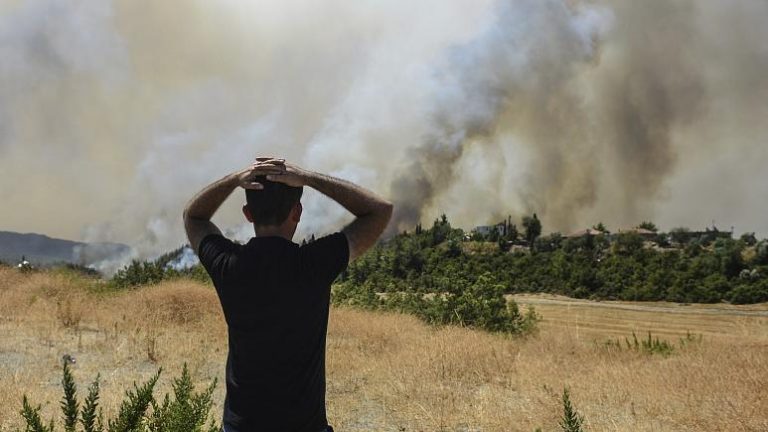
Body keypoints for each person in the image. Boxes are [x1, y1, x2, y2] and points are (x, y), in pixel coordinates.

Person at [183, 157, 393, 432]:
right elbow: (379, 210)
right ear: (297, 212)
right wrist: (307, 177)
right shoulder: (314, 264)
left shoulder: (228, 264)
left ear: (248, 214)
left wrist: (234, 179)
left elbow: (193, 216)